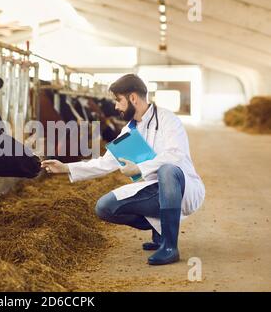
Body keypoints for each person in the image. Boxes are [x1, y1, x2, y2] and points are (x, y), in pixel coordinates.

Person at [41, 74, 205, 265]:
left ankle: (170, 247)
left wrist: (139, 167)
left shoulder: (168, 119)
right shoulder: (129, 130)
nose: (116, 107)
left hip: (183, 188)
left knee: (167, 170)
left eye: (118, 100)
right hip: (154, 191)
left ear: (133, 98)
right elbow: (105, 162)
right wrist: (66, 167)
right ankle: (160, 231)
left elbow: (175, 155)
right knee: (105, 207)